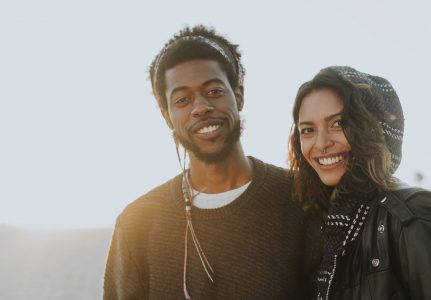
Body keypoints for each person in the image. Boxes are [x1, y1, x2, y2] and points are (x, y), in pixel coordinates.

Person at [103, 25, 310, 299]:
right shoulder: (137, 223)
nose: (200, 107)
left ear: (239, 94)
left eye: (213, 91)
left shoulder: (302, 197)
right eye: (183, 99)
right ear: (167, 116)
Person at [288, 66, 431, 299]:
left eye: (338, 123)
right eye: (308, 130)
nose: (321, 143)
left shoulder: (413, 215)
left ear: (373, 129)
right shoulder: (322, 222)